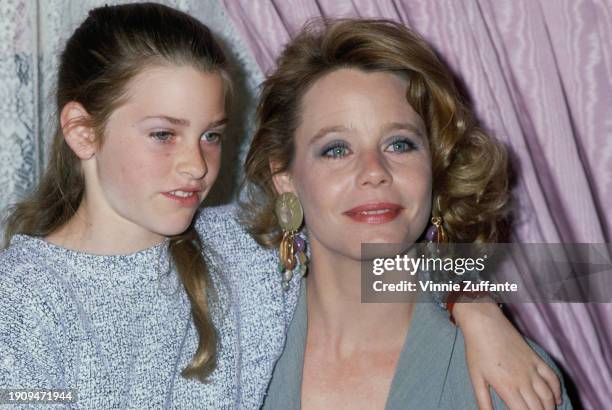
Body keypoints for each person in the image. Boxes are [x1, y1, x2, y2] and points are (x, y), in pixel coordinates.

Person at [0, 3, 562, 408]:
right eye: (164, 134)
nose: (196, 165)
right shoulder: (26, 295)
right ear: (81, 131)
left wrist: (478, 307)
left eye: (212, 135)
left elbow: (561, 269)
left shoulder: (237, 252)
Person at [242, 18, 572, 409]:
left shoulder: (513, 385)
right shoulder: (234, 350)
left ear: (436, 165)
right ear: (284, 176)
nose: (374, 172)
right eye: (336, 149)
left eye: (400, 144)